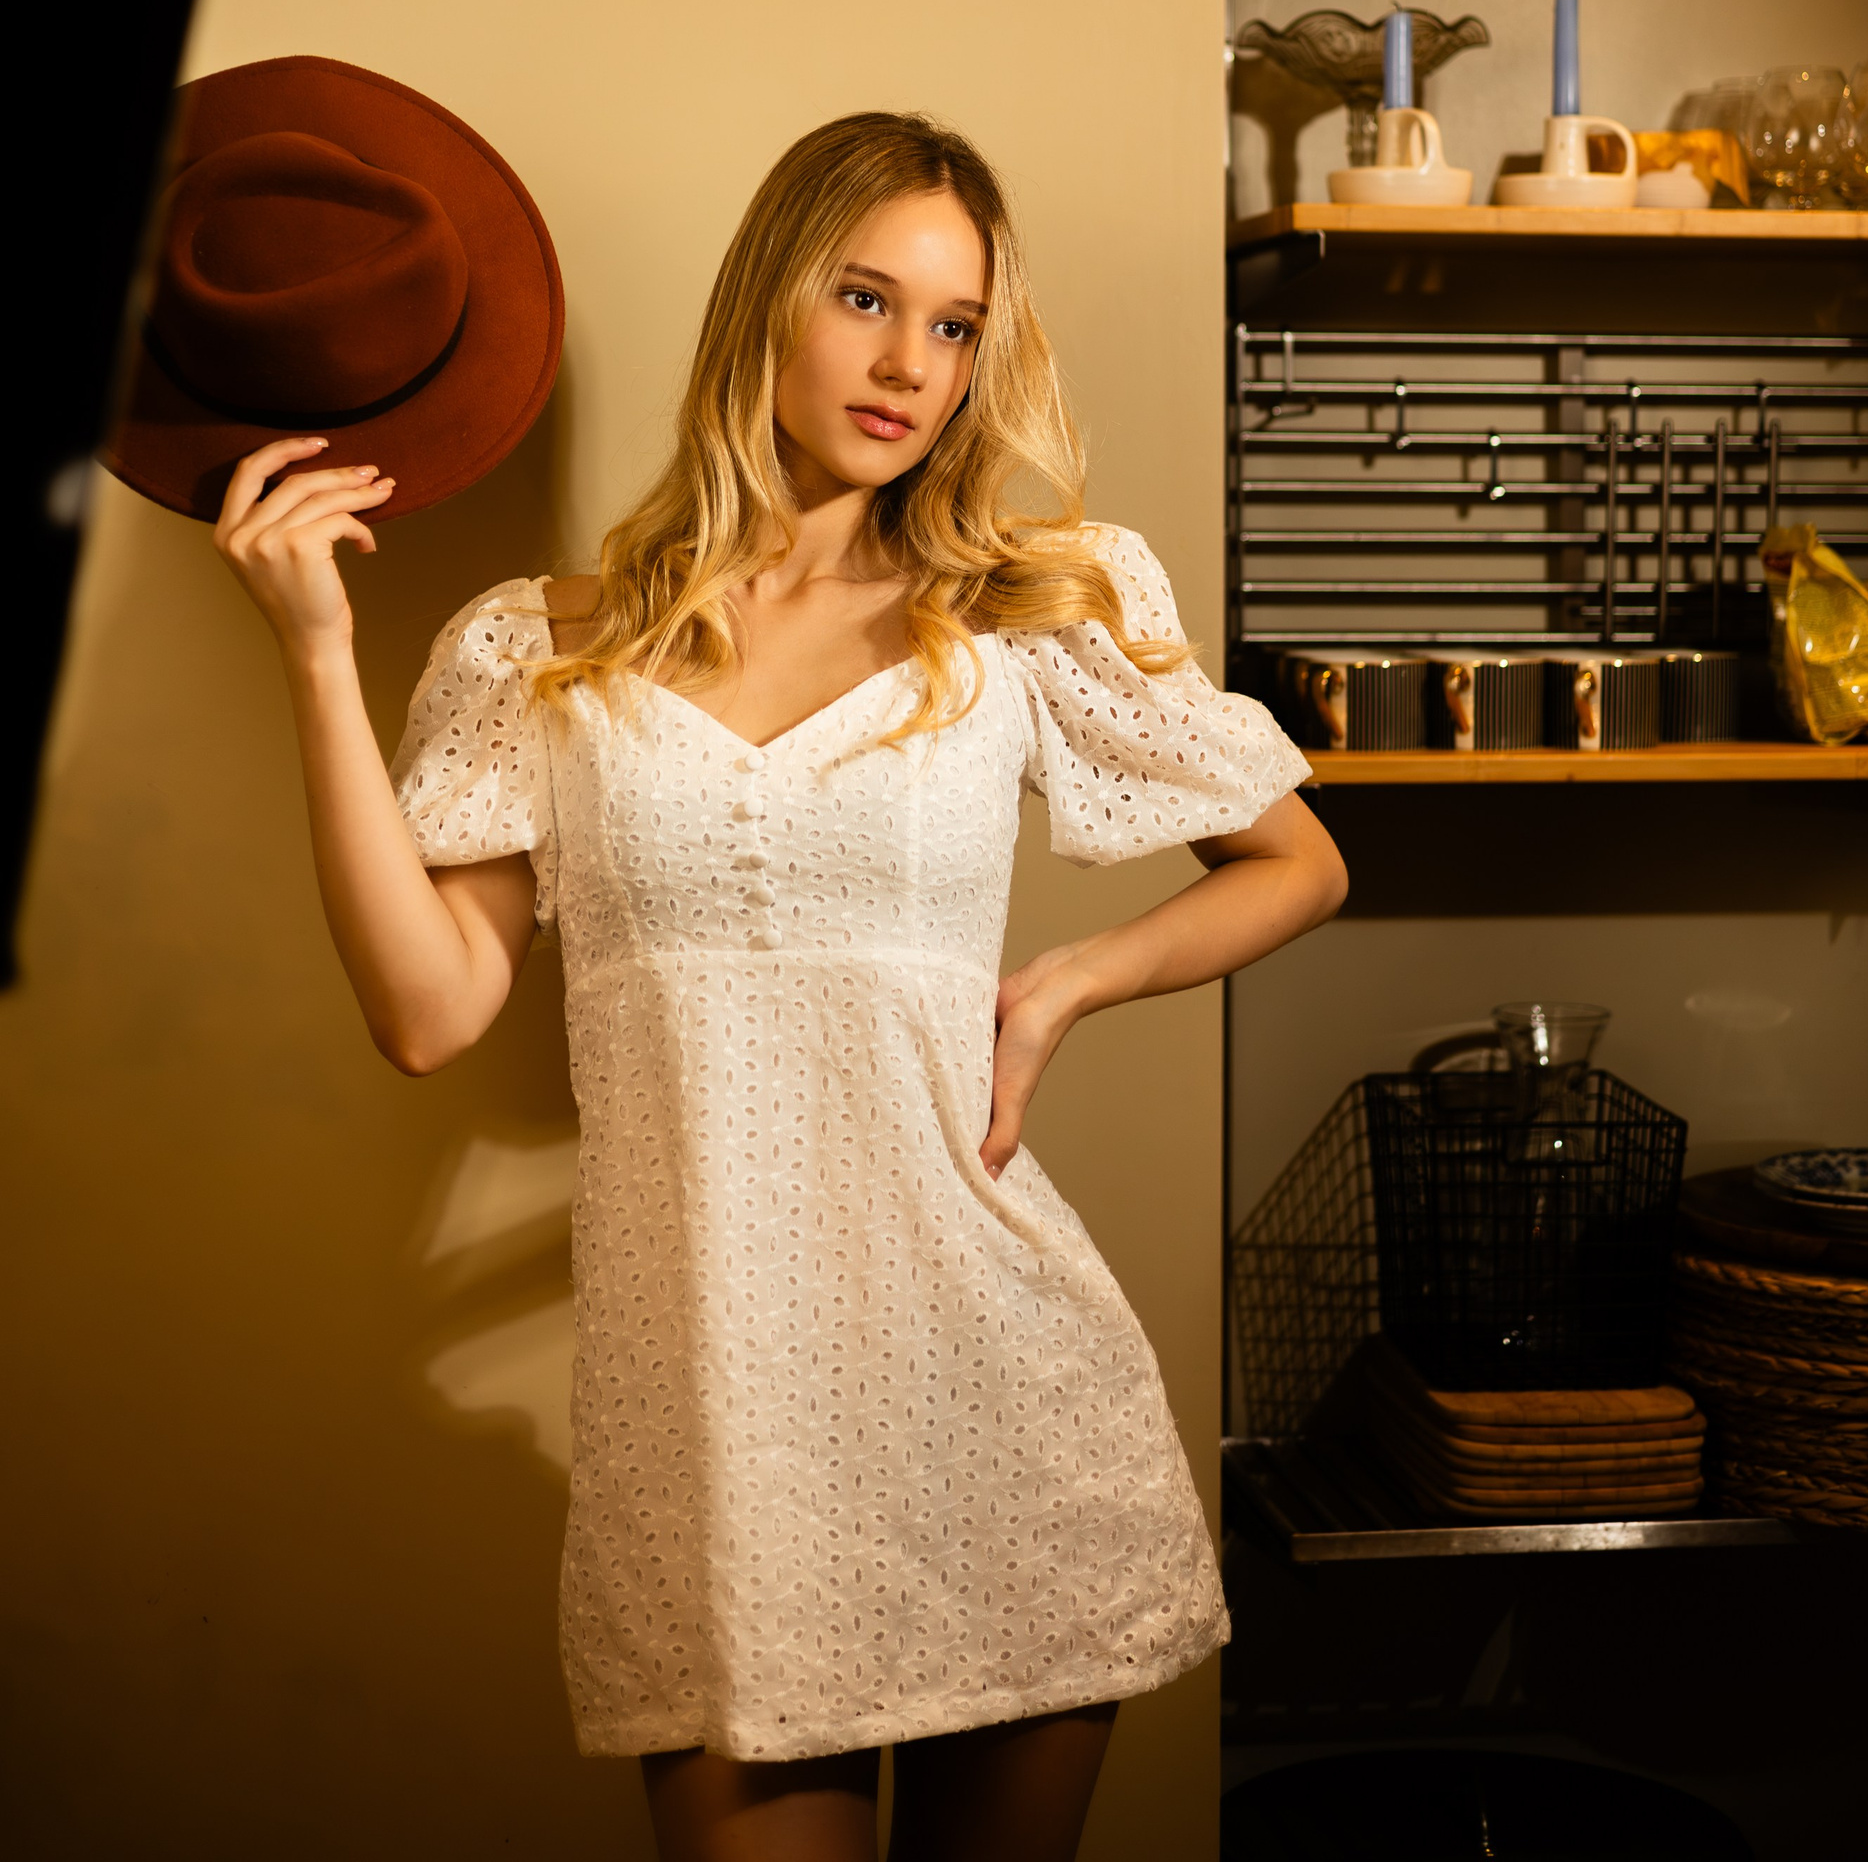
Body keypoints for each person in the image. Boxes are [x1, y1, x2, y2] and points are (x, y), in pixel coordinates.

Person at [214, 110, 1346, 1862]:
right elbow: (428, 1012)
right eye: (865, 299)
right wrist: (313, 653)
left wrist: (1064, 985)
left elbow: (1299, 862)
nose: (910, 366)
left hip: (998, 1398)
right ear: (769, 297)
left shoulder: (1027, 613)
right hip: (715, 1443)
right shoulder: (543, 647)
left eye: (955, 326)